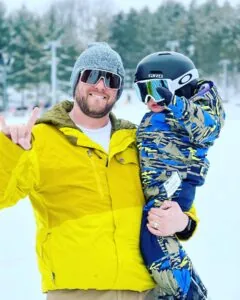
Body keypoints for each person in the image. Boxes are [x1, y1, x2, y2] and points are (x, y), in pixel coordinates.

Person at [0, 42, 199, 300]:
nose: (101, 86)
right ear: (76, 81)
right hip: (78, 292)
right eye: (91, 75)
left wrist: (182, 221)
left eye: (111, 79)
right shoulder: (39, 139)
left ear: (118, 91)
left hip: (146, 291)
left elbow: (176, 194)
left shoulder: (139, 140)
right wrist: (9, 150)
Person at [134, 51, 225, 299]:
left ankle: (185, 290)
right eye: (143, 91)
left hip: (176, 187)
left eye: (156, 89)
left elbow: (208, 128)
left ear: (179, 85)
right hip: (158, 188)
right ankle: (174, 286)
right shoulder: (157, 116)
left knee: (153, 237)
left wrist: (175, 102)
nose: (150, 98)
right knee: (154, 238)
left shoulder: (194, 110)